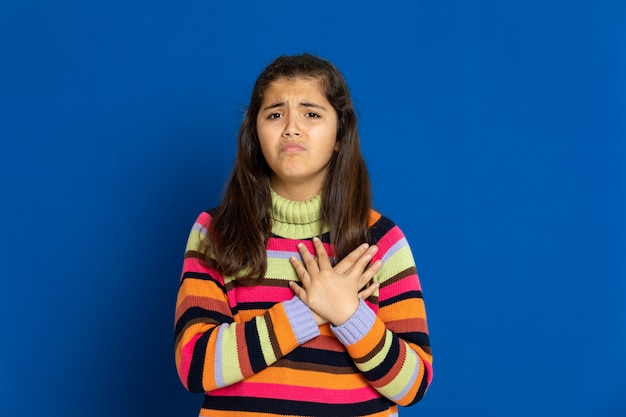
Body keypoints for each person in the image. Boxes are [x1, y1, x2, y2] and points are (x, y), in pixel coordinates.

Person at [174, 53, 433, 417]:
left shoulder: (380, 240)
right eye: (275, 114)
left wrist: (348, 314)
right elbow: (195, 365)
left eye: (311, 113)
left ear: (340, 134)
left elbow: (413, 384)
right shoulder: (215, 232)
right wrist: (309, 311)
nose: (291, 128)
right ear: (254, 133)